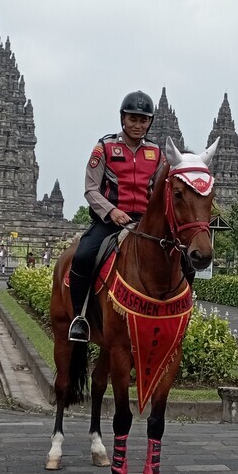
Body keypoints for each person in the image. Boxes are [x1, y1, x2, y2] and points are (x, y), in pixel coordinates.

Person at [67, 90, 162, 342]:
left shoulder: (156, 153)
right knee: (83, 255)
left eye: (143, 120)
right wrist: (112, 211)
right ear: (123, 118)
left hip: (143, 224)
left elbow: (159, 192)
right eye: (133, 119)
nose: (137, 125)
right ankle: (80, 318)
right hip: (110, 221)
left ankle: (176, 315)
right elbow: (90, 189)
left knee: (181, 258)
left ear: (150, 122)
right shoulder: (105, 147)